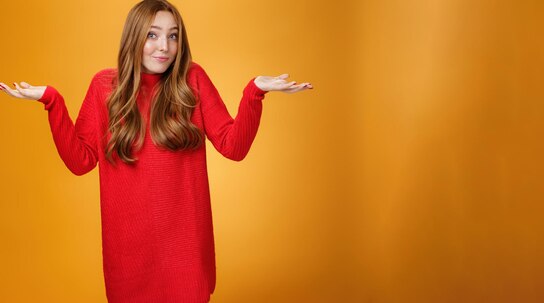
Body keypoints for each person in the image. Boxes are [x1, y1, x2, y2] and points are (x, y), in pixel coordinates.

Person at [0, 0, 312, 302]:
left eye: (172, 35)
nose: (164, 46)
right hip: (129, 257)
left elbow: (234, 146)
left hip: (186, 253)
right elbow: (80, 161)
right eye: (152, 34)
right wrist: (52, 100)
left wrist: (254, 92)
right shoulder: (104, 87)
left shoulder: (192, 80)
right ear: (133, 37)